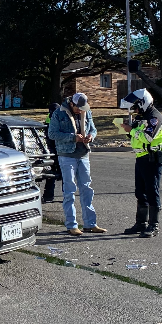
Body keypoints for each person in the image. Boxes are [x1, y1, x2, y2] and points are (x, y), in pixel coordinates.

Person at [47, 93, 105, 236]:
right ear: (71, 104)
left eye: (82, 108)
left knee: (86, 189)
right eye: (78, 108)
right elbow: (52, 134)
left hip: (83, 154)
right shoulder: (58, 113)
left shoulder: (86, 111)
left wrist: (91, 136)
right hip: (66, 155)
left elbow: (93, 129)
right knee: (69, 191)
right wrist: (73, 138)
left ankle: (90, 224)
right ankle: (71, 225)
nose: (80, 110)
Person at [120, 89, 162, 238]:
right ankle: (141, 223)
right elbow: (135, 135)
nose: (135, 110)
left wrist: (131, 131)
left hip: (152, 158)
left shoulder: (154, 118)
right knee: (140, 191)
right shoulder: (142, 117)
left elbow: (147, 137)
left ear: (143, 103)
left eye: (136, 107)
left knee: (152, 190)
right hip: (141, 157)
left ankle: (154, 225)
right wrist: (128, 129)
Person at [41, 102, 62, 203]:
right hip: (59, 150)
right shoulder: (59, 118)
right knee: (64, 175)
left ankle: (48, 196)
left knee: (51, 175)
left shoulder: (49, 118)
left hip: (50, 151)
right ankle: (67, 196)